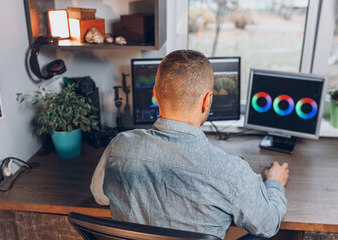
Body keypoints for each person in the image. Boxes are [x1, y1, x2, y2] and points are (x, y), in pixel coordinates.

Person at [90, 50, 289, 240]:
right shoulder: (233, 173)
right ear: (207, 101)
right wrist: (274, 183)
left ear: (155, 94)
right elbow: (267, 225)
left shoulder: (119, 146)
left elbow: (100, 196)